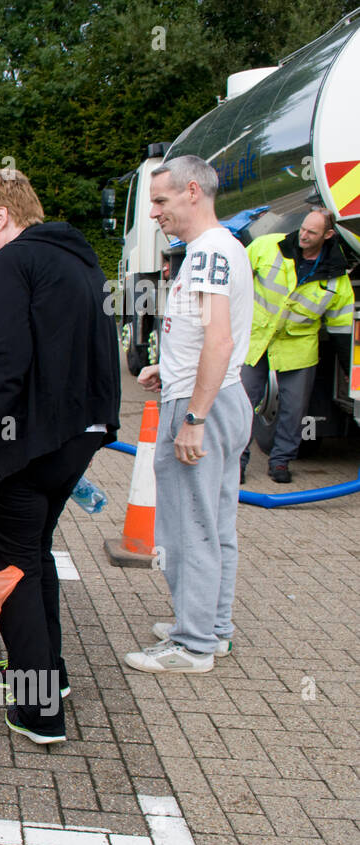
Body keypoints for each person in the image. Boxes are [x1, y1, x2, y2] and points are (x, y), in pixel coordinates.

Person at [0, 169, 120, 745]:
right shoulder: (79, 260)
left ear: (0, 216)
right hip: (77, 435)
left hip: (26, 445)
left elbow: (2, 361)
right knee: (34, 551)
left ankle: (39, 708)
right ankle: (49, 676)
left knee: (9, 563)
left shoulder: (13, 264)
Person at [124, 155, 253, 674]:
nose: (155, 213)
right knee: (216, 523)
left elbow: (218, 340)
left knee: (187, 527)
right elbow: (207, 336)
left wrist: (194, 416)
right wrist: (169, 367)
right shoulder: (222, 249)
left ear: (192, 191)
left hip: (205, 403)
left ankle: (193, 643)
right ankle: (212, 629)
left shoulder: (205, 255)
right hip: (222, 396)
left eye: (161, 201)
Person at [240, 206, 355, 483]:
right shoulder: (268, 246)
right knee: (243, 404)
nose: (303, 235)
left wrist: (351, 370)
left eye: (312, 232)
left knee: (294, 410)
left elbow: (341, 328)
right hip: (257, 338)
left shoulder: (336, 278)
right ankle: (236, 461)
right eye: (303, 228)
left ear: (328, 235)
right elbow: (236, 281)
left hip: (298, 347)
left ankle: (280, 462)